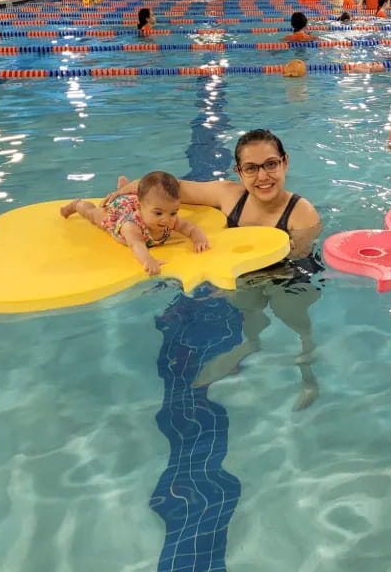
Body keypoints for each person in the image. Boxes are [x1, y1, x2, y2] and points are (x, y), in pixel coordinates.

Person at [107, 129, 324, 411]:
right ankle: (250, 344)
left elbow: (296, 263)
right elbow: (173, 188)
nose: (263, 176)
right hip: (244, 276)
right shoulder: (229, 196)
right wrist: (127, 191)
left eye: (271, 164)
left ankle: (308, 377)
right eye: (251, 168)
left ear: (285, 162)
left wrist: (234, 284)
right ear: (239, 172)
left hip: (290, 279)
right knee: (248, 308)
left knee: (296, 322)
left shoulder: (301, 212)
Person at [60, 171, 209, 275]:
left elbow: (191, 229)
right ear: (139, 206)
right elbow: (136, 244)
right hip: (119, 211)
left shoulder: (169, 219)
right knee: (92, 214)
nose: (166, 219)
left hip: (139, 203)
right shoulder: (130, 226)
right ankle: (76, 205)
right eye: (158, 213)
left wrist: (199, 240)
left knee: (149, 202)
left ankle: (124, 188)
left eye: (173, 212)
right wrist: (148, 260)